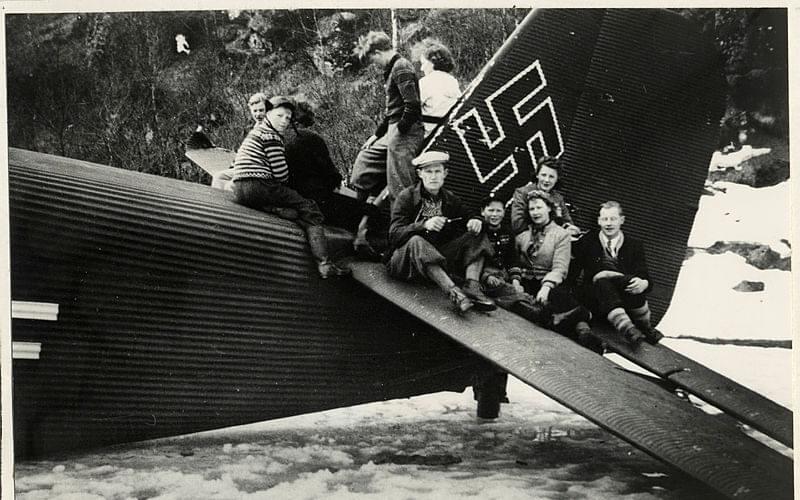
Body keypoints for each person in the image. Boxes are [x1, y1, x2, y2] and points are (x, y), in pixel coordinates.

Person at [229, 94, 350, 279]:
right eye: (279, 116)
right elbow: (280, 175)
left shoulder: (257, 131)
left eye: (287, 117)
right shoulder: (272, 137)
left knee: (287, 205)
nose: (284, 121)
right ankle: (325, 264)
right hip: (259, 184)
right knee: (310, 209)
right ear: (268, 113)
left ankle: (277, 208)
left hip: (239, 188)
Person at [387, 151, 496, 313]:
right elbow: (394, 234)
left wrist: (476, 220)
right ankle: (454, 293)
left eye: (437, 171)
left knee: (476, 232)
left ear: (445, 173)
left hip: (437, 261)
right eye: (428, 172)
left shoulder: (449, 199)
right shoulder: (407, 197)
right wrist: (423, 225)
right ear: (420, 174)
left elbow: (470, 215)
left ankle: (472, 285)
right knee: (416, 241)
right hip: (404, 263)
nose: (433, 177)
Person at [350, 31, 425, 258]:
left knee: (400, 189)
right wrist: (378, 134)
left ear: (378, 52)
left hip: (406, 132)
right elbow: (392, 110)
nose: (374, 64)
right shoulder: (394, 68)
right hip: (394, 129)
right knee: (364, 167)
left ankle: (399, 245)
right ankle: (365, 225)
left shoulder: (401, 67)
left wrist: (398, 133)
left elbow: (412, 107)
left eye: (373, 59)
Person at [508, 190, 596, 347]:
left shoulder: (561, 235)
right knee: (516, 302)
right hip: (525, 283)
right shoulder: (522, 234)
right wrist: (516, 282)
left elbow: (560, 268)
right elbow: (515, 262)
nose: (535, 212)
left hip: (548, 283)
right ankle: (572, 322)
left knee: (558, 296)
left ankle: (583, 332)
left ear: (549, 208)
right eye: (531, 209)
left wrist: (546, 287)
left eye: (539, 207)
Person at [572, 201, 663, 346]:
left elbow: (645, 275)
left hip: (623, 301)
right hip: (596, 300)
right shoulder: (588, 241)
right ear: (598, 221)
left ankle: (643, 326)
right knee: (602, 281)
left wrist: (643, 283)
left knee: (633, 281)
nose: (608, 223)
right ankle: (629, 329)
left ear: (622, 220)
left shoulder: (634, 245)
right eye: (604, 219)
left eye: (613, 219)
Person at [211, 92, 268, 191]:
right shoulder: (251, 128)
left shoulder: (268, 128)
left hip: (256, 169)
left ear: (267, 110)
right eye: (255, 111)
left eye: (261, 110)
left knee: (228, 185)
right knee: (218, 177)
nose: (258, 114)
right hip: (244, 166)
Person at [510, 156, 581, 236]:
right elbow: (517, 225)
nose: (547, 180)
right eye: (544, 175)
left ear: (557, 178)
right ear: (537, 175)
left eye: (551, 177)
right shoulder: (522, 193)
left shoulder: (558, 198)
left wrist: (570, 228)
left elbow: (567, 222)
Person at [416, 40, 461, 137]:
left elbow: (411, 109)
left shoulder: (425, 82)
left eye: (423, 63)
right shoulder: (452, 81)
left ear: (432, 63)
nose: (421, 68)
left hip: (428, 135)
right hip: (448, 132)